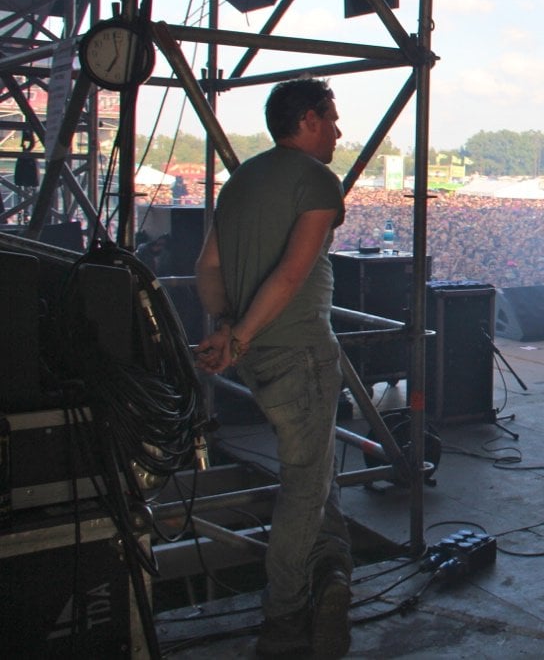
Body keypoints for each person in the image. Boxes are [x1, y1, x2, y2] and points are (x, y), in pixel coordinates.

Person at [194, 77, 353, 658]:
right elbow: (290, 275)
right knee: (304, 488)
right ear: (308, 120)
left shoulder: (241, 180)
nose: (338, 131)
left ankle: (331, 574)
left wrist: (228, 330)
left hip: (256, 358)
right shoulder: (317, 180)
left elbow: (208, 267)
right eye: (331, 118)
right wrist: (238, 334)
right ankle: (284, 616)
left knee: (314, 473)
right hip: (300, 352)